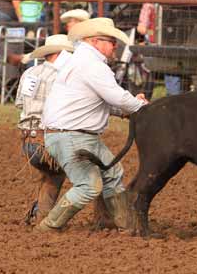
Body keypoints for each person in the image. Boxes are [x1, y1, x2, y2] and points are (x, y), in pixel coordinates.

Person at [37, 18, 147, 231]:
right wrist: (140, 107)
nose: (115, 46)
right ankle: (48, 227)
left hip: (73, 134)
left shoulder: (80, 62)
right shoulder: (92, 65)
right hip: (72, 136)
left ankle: (128, 227)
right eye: (111, 41)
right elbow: (117, 97)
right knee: (88, 186)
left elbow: (97, 100)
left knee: (112, 174)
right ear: (96, 41)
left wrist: (128, 109)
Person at [15, 34, 74, 224]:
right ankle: (53, 218)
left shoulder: (30, 73)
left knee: (53, 174)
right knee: (92, 173)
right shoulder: (65, 76)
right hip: (48, 140)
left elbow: (19, 104)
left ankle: (41, 214)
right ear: (62, 54)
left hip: (29, 142)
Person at [137, 0, 197, 95]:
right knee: (170, 63)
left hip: (188, 35)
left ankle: (182, 95)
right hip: (164, 34)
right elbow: (147, 7)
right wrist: (143, 24)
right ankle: (174, 96)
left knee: (187, 65)